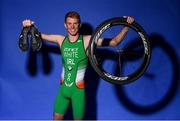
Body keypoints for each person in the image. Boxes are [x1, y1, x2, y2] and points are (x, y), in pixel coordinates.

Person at [22, 11, 134, 120]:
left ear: (79, 25)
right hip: (63, 91)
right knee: (56, 118)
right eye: (69, 24)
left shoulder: (87, 40)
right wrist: (30, 25)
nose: (72, 27)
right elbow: (38, 35)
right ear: (65, 25)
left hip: (78, 92)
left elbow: (114, 42)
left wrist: (126, 26)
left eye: (75, 24)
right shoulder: (60, 40)